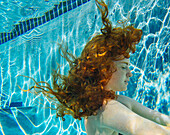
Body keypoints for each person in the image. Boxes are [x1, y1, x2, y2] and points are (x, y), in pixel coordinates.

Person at [19, 0, 170, 134]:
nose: (130, 74)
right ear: (103, 70)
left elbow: (159, 118)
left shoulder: (117, 101)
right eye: (124, 67)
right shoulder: (108, 109)